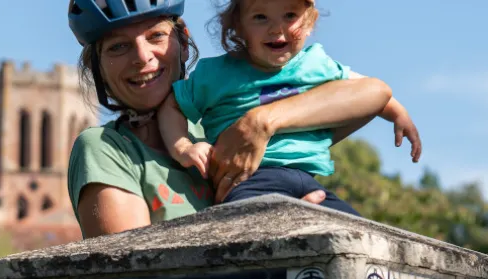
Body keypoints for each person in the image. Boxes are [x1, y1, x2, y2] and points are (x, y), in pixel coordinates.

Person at [67, 0, 394, 239]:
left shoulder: (217, 125)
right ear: (98, 67)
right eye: (118, 47)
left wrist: (262, 122)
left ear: (182, 41)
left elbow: (372, 93)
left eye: (155, 36)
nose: (142, 57)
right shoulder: (104, 149)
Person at [158, 0, 422, 211]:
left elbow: (367, 88)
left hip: (308, 182)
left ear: (309, 22)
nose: (277, 28)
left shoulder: (317, 64)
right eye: (261, 17)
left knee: (358, 235)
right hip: (248, 180)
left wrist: (398, 112)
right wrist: (184, 147)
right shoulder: (215, 73)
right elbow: (172, 106)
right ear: (237, 26)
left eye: (290, 15)